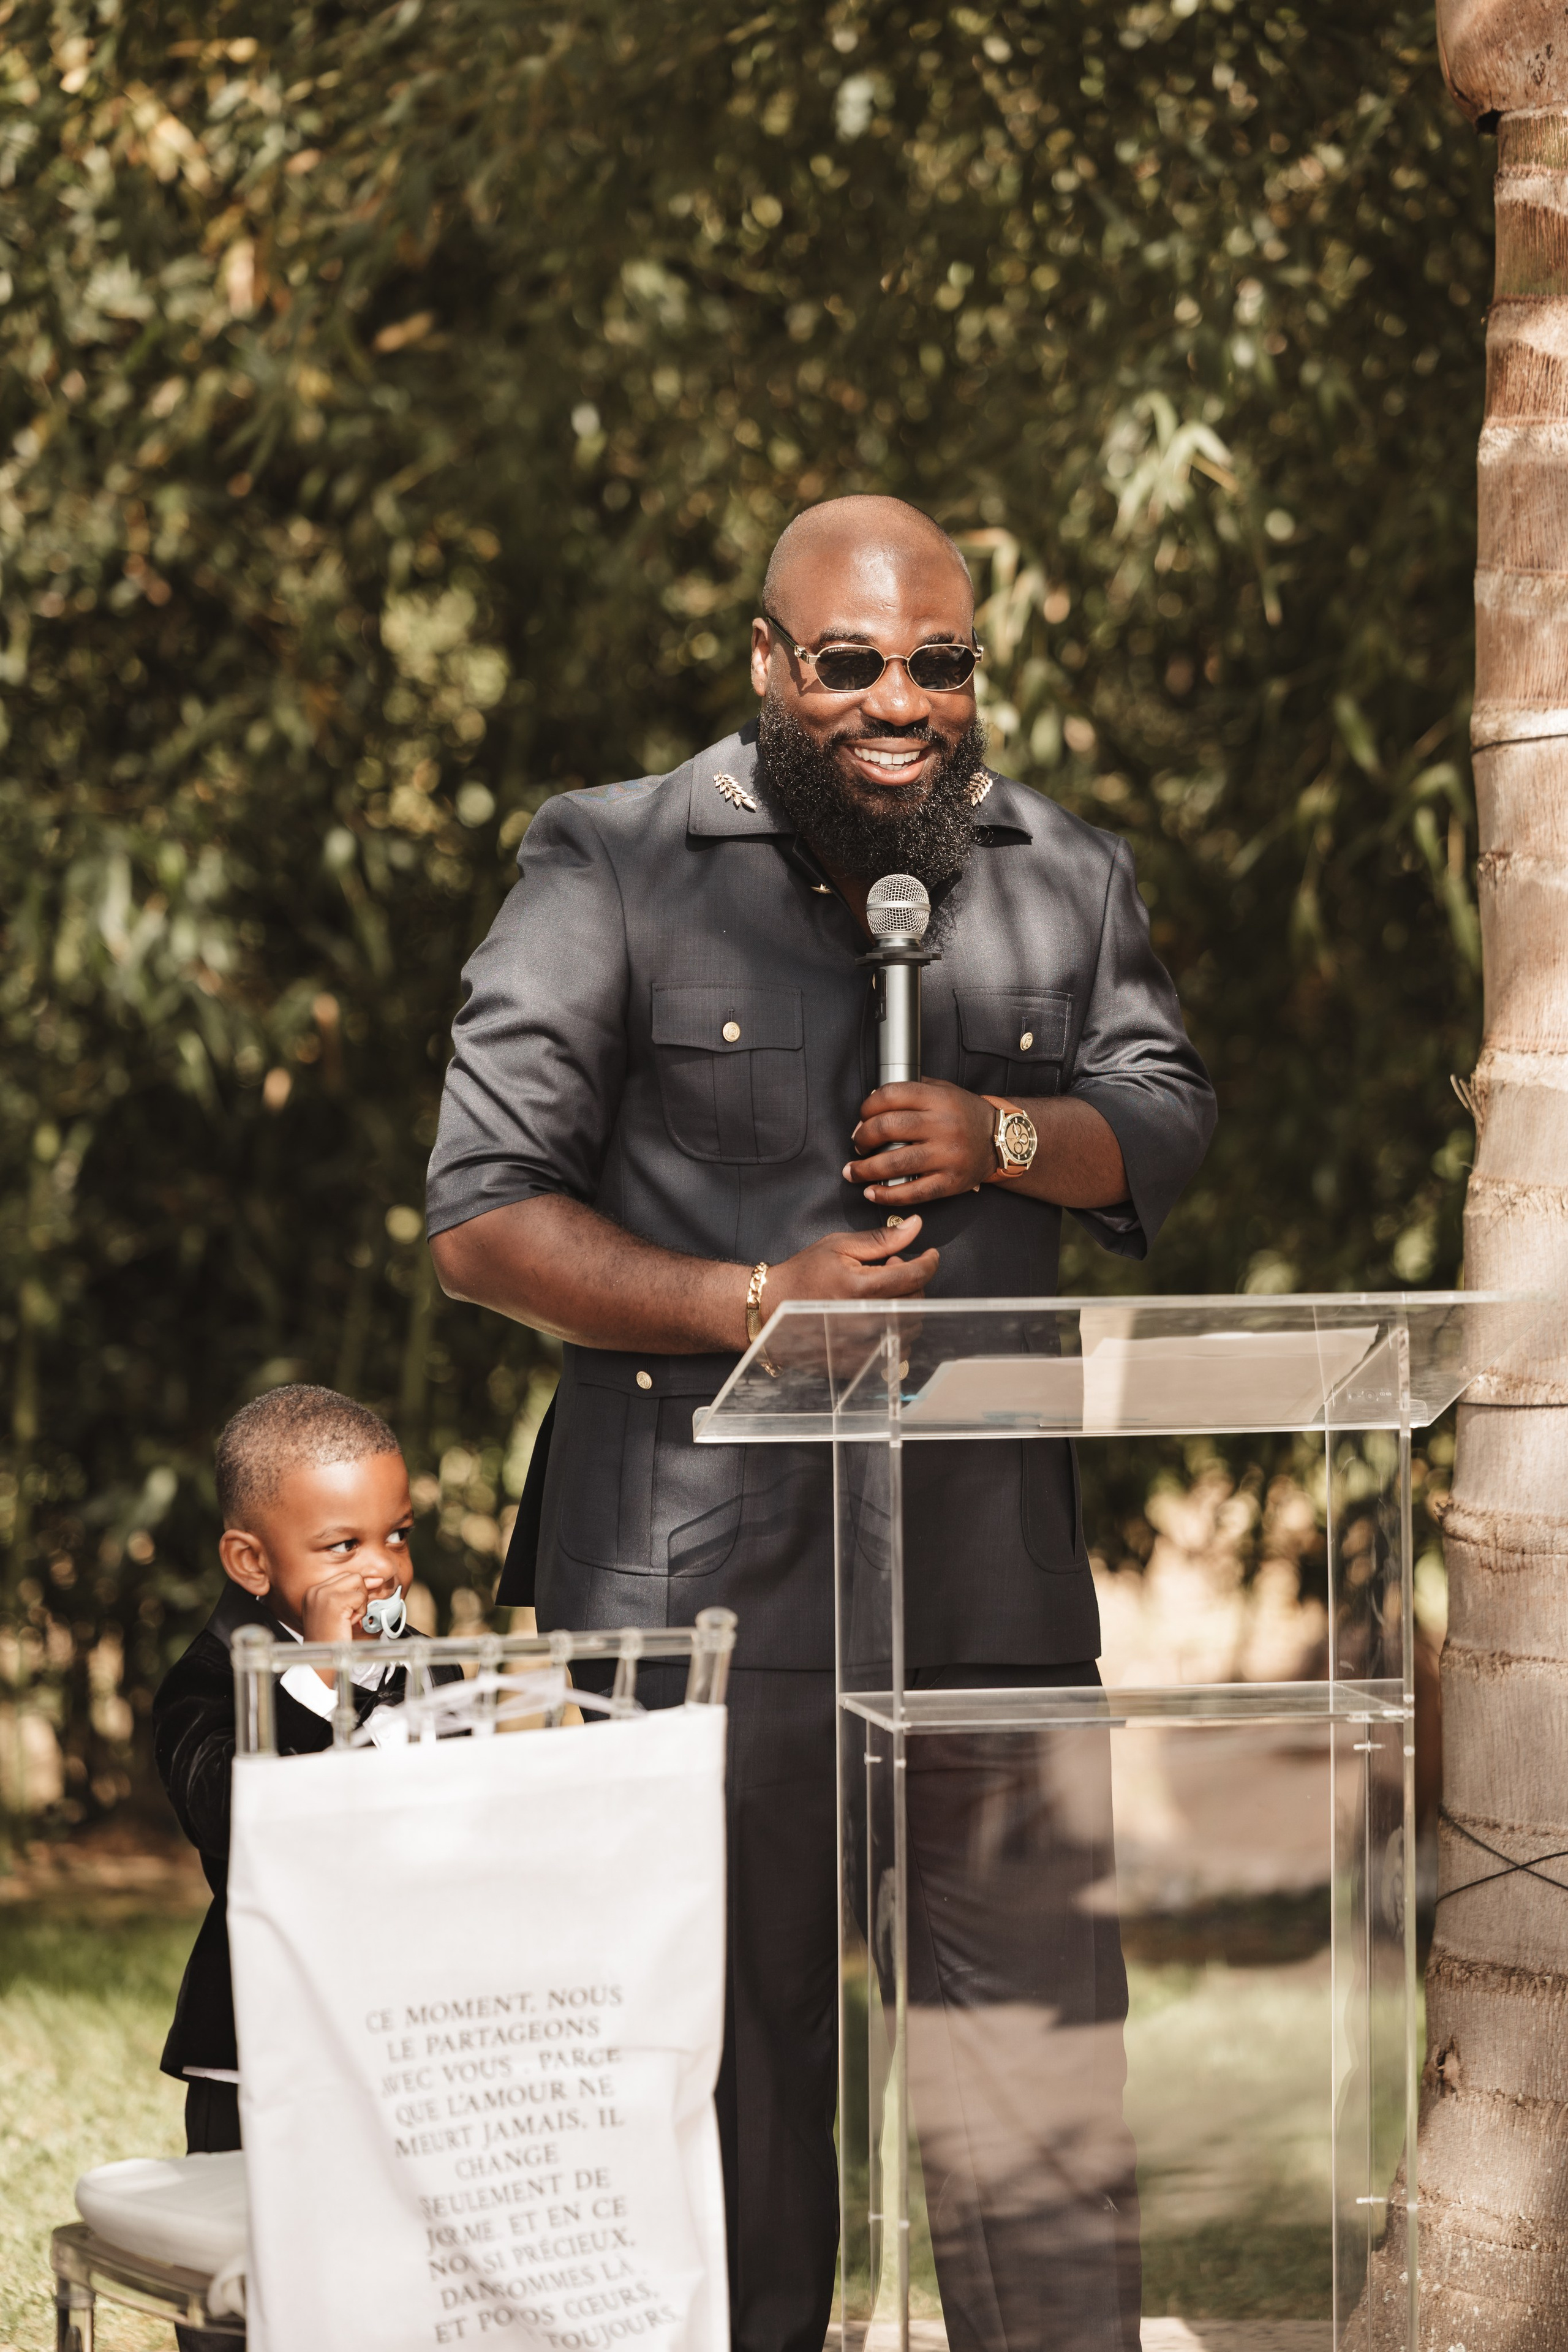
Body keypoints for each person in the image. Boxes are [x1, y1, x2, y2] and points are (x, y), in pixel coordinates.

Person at [426, 494, 1216, 2352]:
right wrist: (736, 1304)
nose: (898, 702)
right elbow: (479, 1216)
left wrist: (1006, 1131)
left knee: (1038, 2094)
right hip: (693, 1593)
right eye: (849, 661)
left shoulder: (1057, 870)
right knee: (727, 2106)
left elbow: (1163, 1119)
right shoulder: (612, 860)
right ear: (772, 662)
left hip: (986, 1597)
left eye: (936, 663)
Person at [155, 1385, 460, 2162]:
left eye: (396, 1536)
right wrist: (323, 1681)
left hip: (412, 2020)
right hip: (266, 2040)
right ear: (251, 1560)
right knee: (259, 2246)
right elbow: (228, 1816)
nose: (383, 1569)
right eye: (342, 1547)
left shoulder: (430, 1663)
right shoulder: (207, 1683)